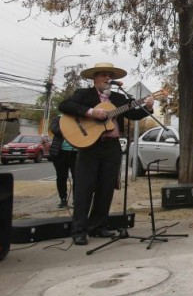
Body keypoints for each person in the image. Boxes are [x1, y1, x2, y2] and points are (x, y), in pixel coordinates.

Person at [58, 62, 153, 246]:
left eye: (110, 75)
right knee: (84, 188)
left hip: (112, 147)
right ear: (94, 78)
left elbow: (132, 114)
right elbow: (65, 105)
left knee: (106, 188)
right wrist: (91, 112)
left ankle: (98, 226)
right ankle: (79, 230)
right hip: (90, 146)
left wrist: (147, 107)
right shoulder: (84, 94)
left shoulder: (118, 98)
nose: (107, 78)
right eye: (103, 75)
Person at [48, 114, 78, 209]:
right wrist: (70, 128)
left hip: (76, 152)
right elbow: (54, 130)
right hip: (60, 152)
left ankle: (76, 200)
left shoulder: (79, 118)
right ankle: (63, 199)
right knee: (61, 177)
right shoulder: (57, 118)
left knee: (77, 177)